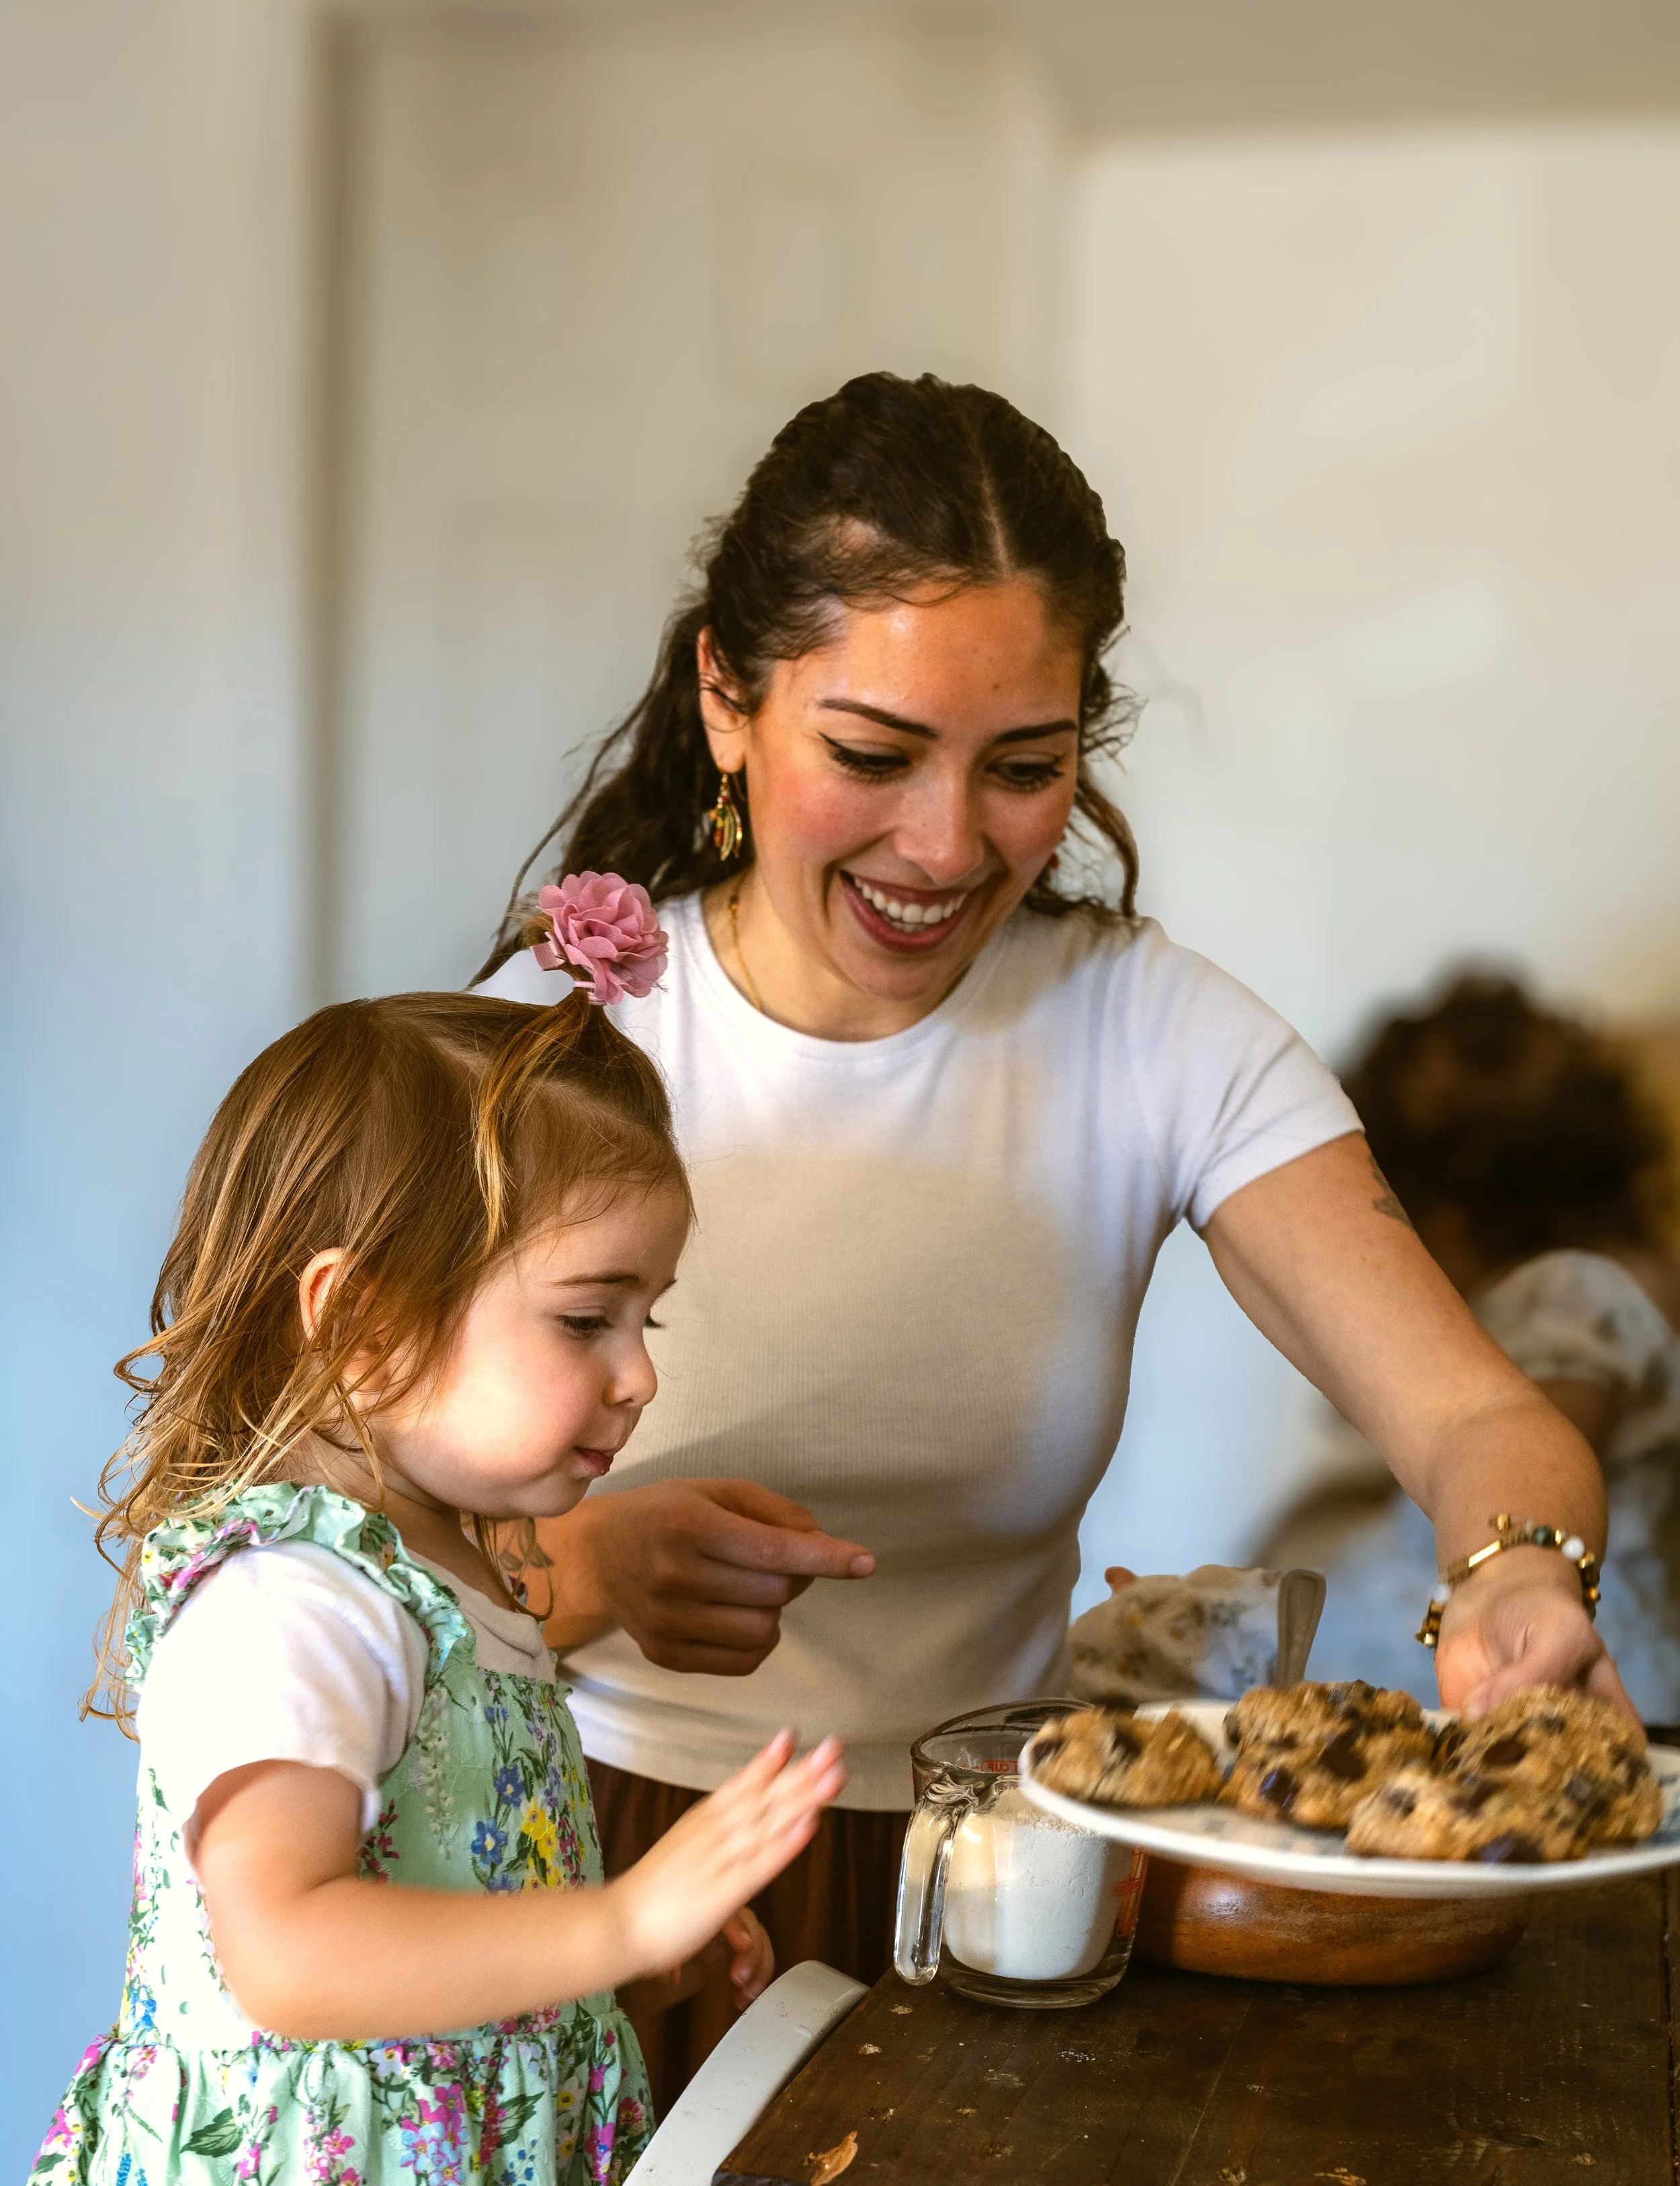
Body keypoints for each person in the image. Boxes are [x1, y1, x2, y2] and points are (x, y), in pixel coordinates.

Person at [474, 370, 1632, 2102]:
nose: (946, 846)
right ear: (727, 695)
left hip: (1005, 1879)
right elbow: (312, 1552)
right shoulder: (559, 1043)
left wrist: (1522, 1570)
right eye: (871, 755)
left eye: (1024, 767)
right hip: (586, 1864)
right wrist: (593, 1569)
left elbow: (1475, 1416)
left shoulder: (1150, 1032)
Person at [31, 936, 845, 2186]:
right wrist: (617, 1917)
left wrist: (604, 1950)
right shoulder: (291, 1601)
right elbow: (288, 1951)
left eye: (649, 1315)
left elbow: (438, 1861)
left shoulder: (454, 1569)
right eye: (587, 1317)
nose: (641, 1375)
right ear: (361, 1320)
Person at [1265, 974, 1680, 1720]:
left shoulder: (1572, 1292)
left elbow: (1551, 1421)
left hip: (1544, 1646)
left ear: (1447, 1219)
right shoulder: (1596, 1278)